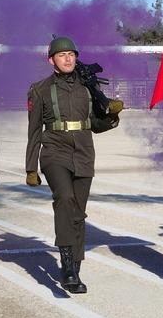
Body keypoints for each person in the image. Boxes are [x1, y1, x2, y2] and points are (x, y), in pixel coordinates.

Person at [25, 36, 121, 294]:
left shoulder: (87, 88)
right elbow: (34, 131)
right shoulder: (40, 89)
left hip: (83, 153)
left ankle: (75, 267)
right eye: (62, 55)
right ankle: (66, 265)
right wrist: (30, 167)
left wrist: (112, 117)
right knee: (65, 199)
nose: (67, 59)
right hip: (54, 151)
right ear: (51, 60)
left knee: (78, 213)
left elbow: (95, 124)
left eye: (71, 54)